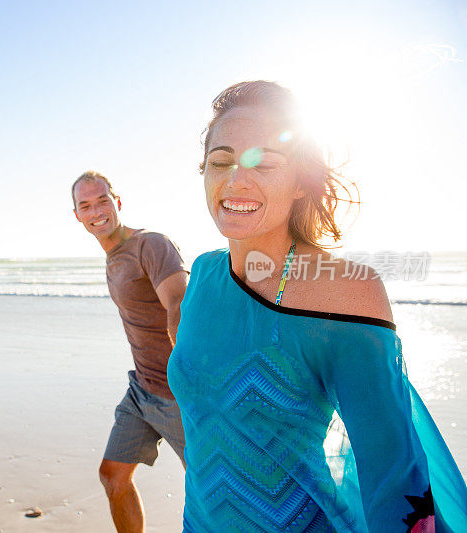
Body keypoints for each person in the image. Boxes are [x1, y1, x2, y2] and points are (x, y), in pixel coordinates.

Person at [167, 80, 467, 532]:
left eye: (264, 162)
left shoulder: (346, 288)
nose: (235, 179)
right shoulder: (204, 275)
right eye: (220, 161)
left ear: (301, 185)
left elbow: (393, 476)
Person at [72, 171, 189, 533]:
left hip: (177, 394)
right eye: (85, 205)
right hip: (141, 390)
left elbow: (178, 301)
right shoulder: (113, 255)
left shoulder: (149, 244)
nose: (96, 211)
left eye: (103, 200)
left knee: (209, 486)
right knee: (112, 477)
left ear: (117, 202)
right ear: (77, 215)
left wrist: (188, 382)